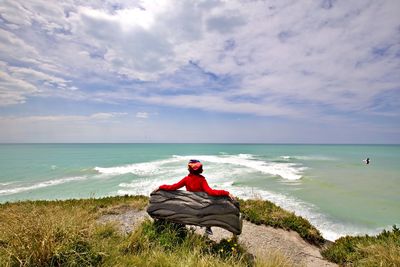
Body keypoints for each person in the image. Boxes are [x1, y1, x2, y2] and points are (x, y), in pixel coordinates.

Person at [155, 159, 235, 236]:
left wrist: (161, 187)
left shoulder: (186, 179)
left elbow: (173, 187)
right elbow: (210, 192)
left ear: (189, 169)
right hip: (201, 206)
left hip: (189, 205)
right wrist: (226, 193)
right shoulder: (202, 180)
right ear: (200, 169)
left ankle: (182, 229)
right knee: (208, 205)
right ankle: (208, 227)